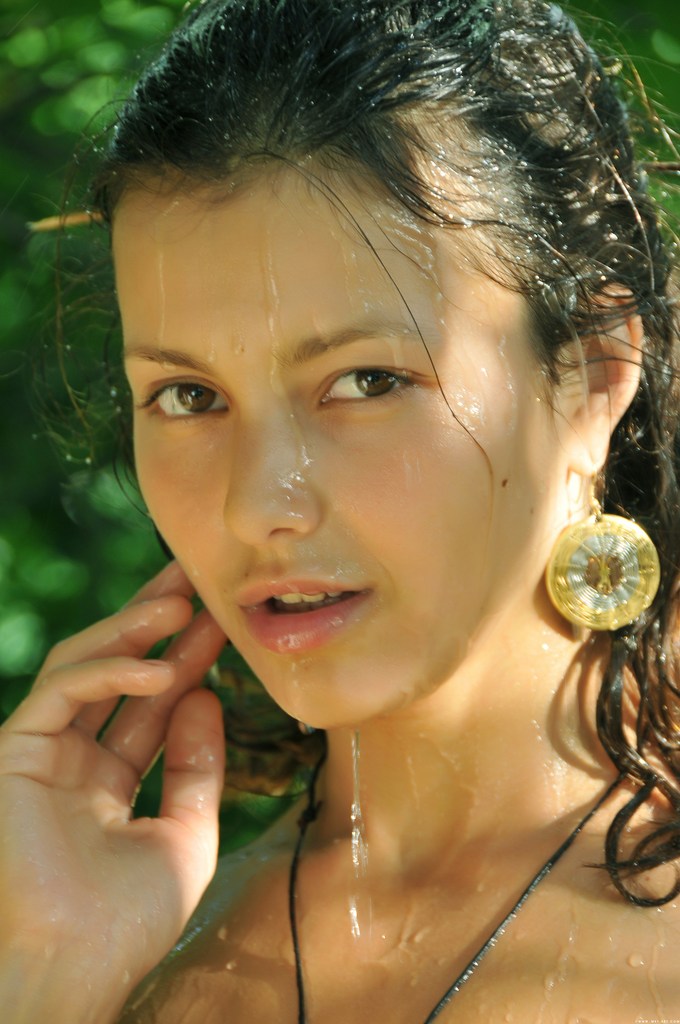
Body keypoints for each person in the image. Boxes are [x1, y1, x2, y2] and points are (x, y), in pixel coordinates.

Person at [2, 0, 680, 1020]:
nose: (254, 506)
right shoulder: (127, 954)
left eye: (366, 381)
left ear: (590, 375)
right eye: (188, 396)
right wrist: (49, 978)